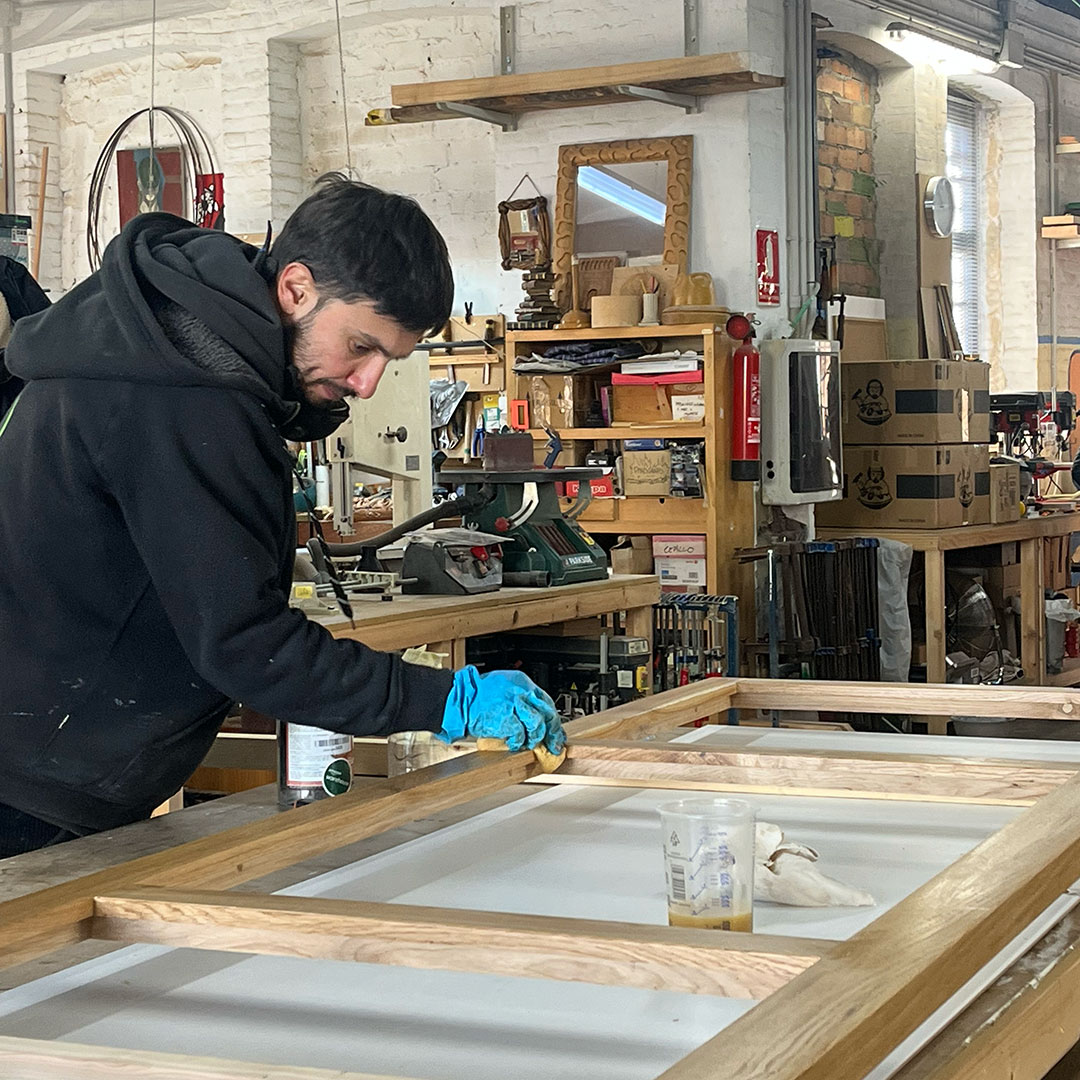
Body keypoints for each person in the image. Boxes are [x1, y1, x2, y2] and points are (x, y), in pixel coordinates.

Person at [0, 174, 564, 858]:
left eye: (389, 361)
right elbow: (245, 644)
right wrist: (444, 701)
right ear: (295, 288)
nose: (367, 384)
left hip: (50, 762)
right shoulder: (185, 394)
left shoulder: (182, 350)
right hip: (29, 784)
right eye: (361, 346)